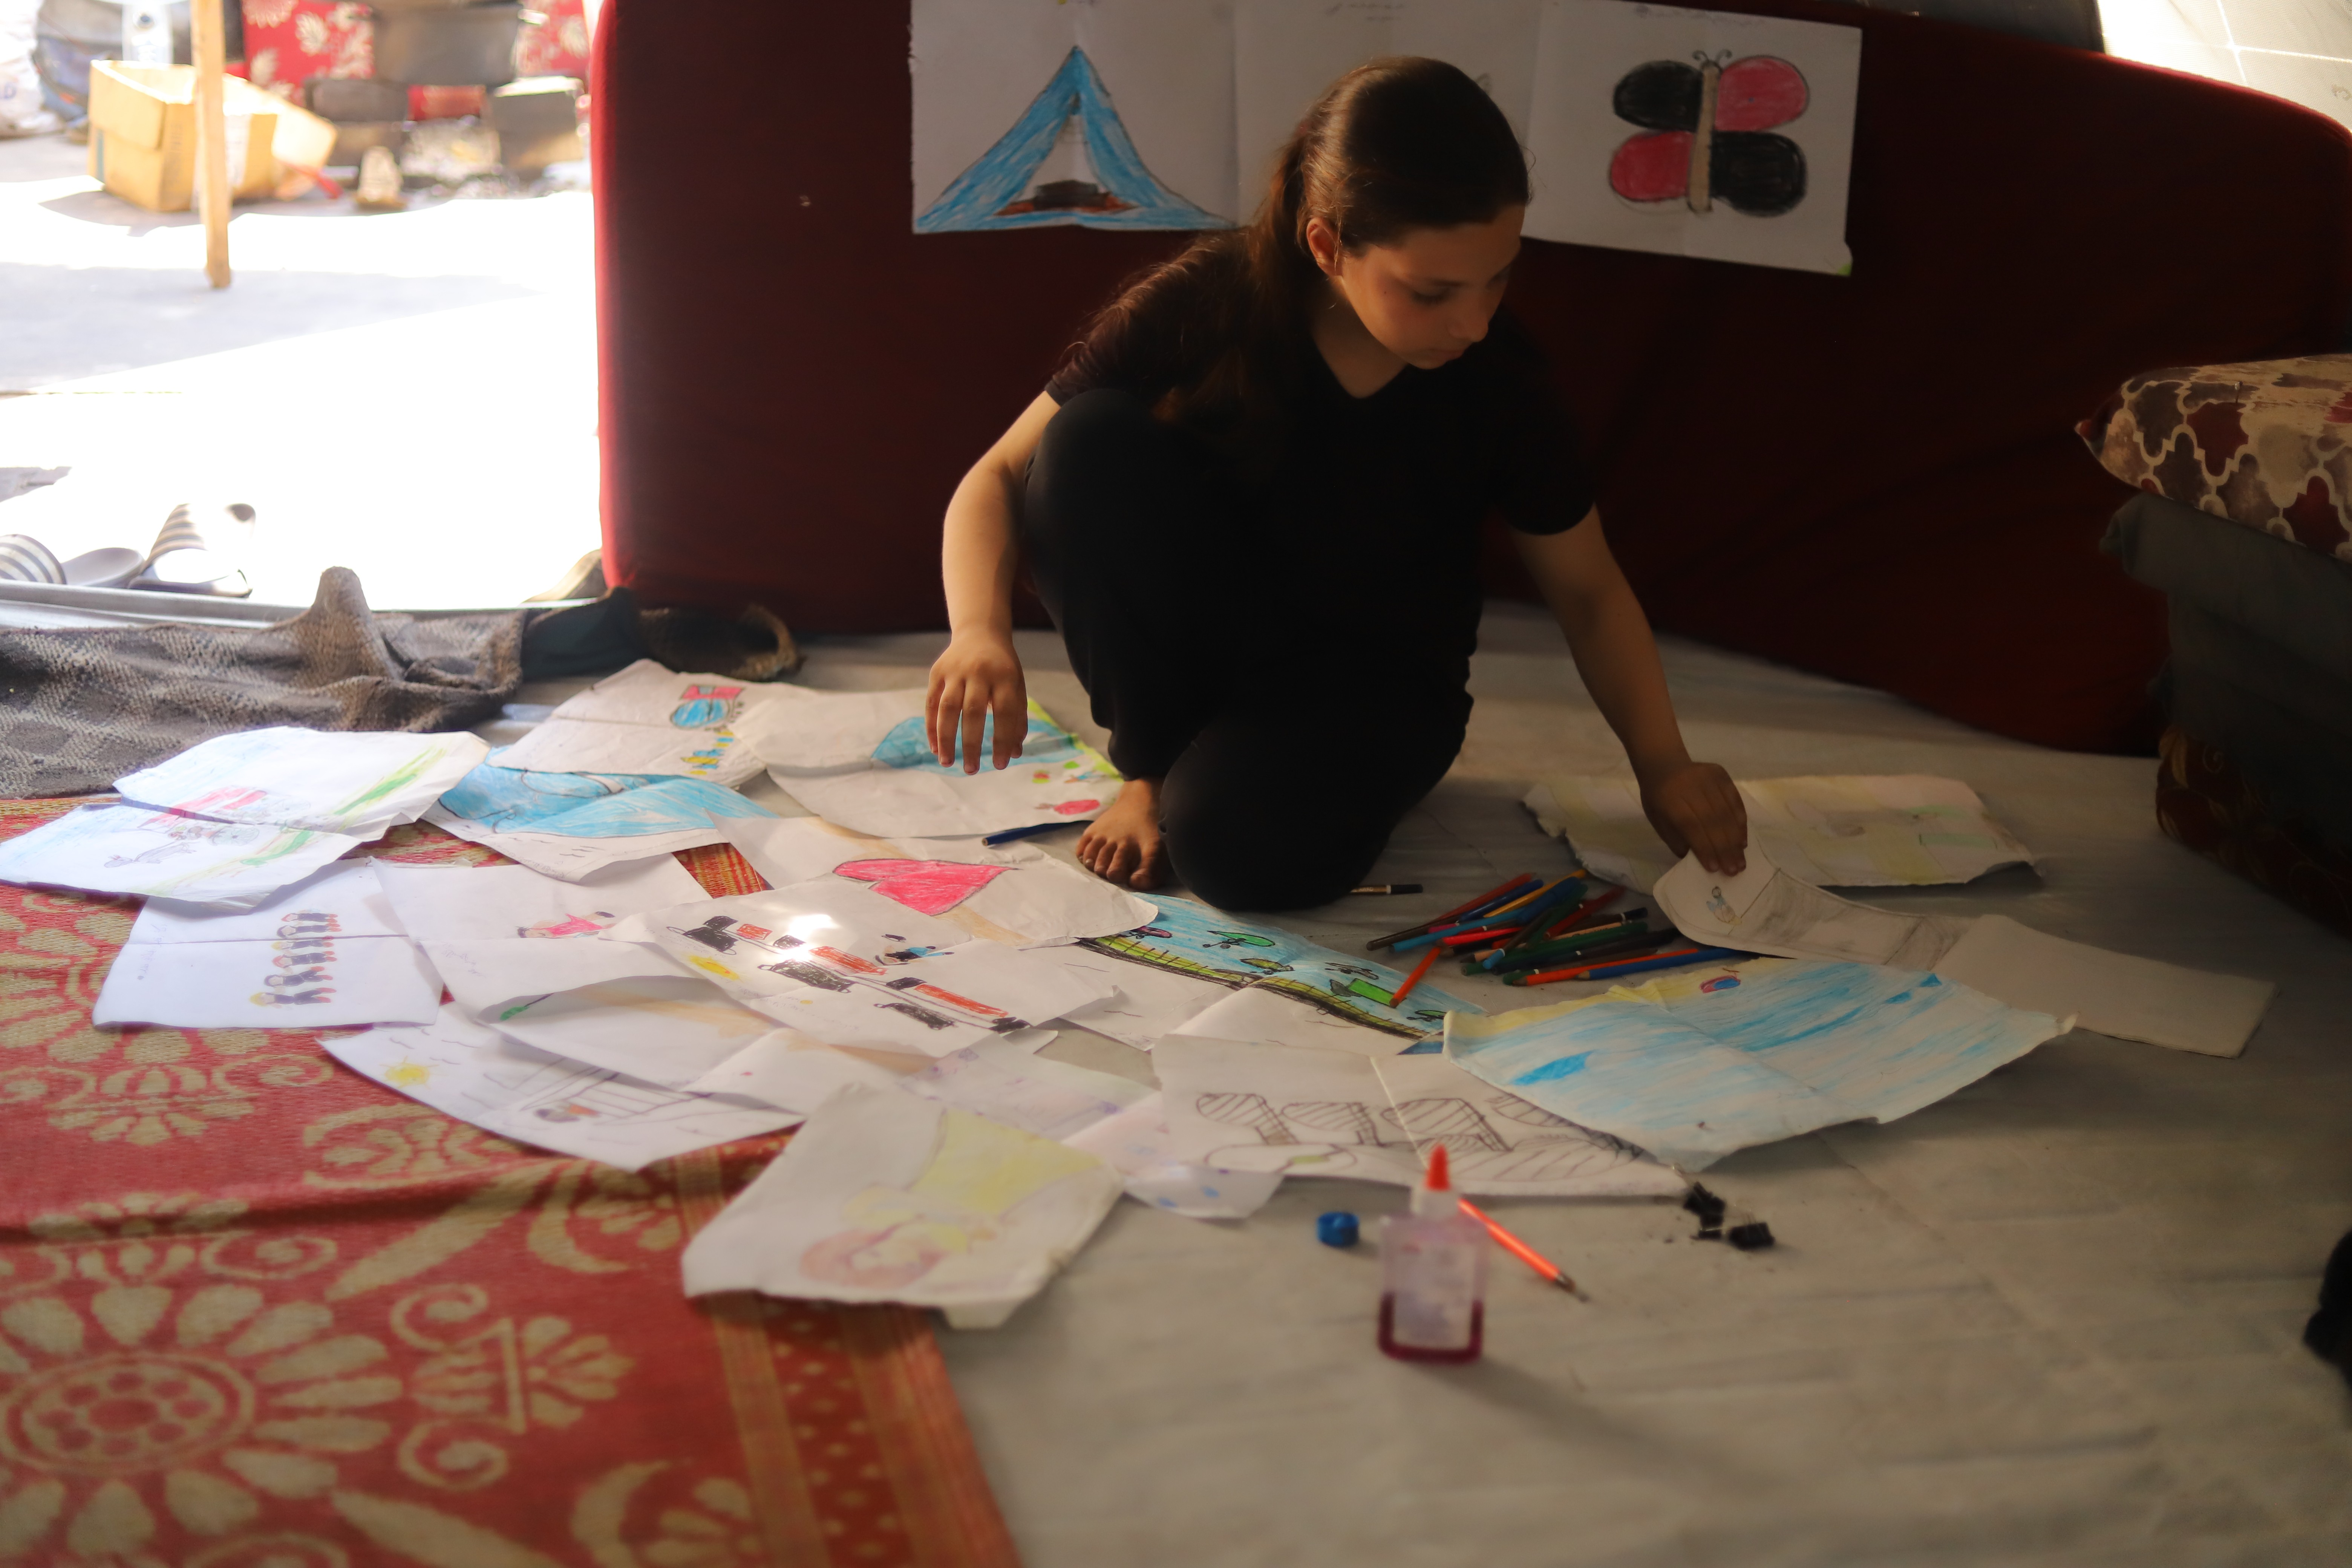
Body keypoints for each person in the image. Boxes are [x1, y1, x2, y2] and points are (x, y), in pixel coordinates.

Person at [926, 57, 1748, 909]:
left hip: (1377, 683)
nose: (1474, 322)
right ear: (1326, 245)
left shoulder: (1503, 378)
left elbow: (1588, 591)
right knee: (1086, 441)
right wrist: (978, 633)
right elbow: (998, 475)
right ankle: (1153, 766)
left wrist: (1665, 765)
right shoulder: (1210, 303)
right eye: (1432, 292)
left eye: (1499, 277)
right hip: (1219, 650)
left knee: (1236, 857)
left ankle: (1216, 783)